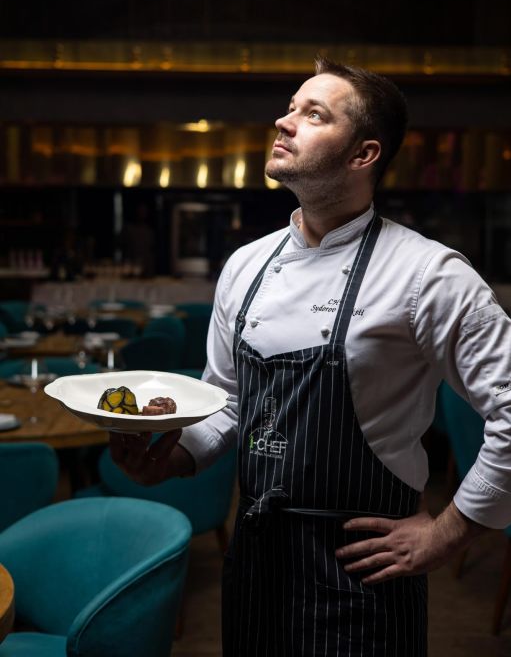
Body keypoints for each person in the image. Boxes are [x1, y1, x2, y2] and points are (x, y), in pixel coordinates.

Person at [110, 58, 511, 656]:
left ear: (363, 155)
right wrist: (172, 459)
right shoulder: (246, 265)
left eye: (314, 114)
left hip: (363, 573)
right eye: (291, 107)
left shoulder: (429, 274)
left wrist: (450, 531)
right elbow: (228, 403)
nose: (284, 121)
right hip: (256, 565)